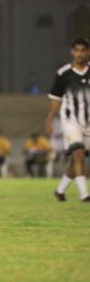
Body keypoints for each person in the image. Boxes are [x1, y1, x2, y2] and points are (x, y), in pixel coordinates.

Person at [46, 38, 90, 202]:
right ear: (72, 52)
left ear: (88, 52)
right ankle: (84, 194)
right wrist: (49, 121)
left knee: (77, 160)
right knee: (78, 154)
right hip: (71, 121)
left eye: (83, 50)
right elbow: (55, 99)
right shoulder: (63, 73)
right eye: (77, 50)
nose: (79, 54)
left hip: (88, 123)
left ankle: (60, 190)